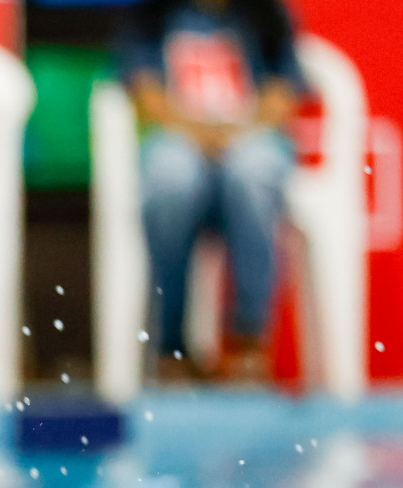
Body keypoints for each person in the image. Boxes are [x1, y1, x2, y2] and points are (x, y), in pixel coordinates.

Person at [117, 0, 305, 383]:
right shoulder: (151, 16)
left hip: (250, 137)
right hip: (178, 137)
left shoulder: (267, 15)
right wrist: (201, 133)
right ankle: (171, 348)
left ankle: (248, 341)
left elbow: (282, 94)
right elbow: (145, 94)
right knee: (171, 178)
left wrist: (235, 132)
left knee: (252, 172)